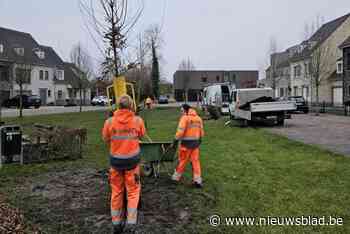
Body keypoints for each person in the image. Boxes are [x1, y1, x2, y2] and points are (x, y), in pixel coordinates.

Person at [102, 95, 146, 234]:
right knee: (133, 192)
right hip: (132, 162)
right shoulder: (137, 120)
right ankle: (131, 223)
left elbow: (105, 138)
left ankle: (116, 223)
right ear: (131, 106)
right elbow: (142, 135)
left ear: (117, 106)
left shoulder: (109, 122)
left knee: (116, 191)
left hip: (116, 162)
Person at [171, 104, 205, 188]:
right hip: (196, 144)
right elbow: (201, 132)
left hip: (186, 145)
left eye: (182, 111)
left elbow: (180, 132)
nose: (181, 113)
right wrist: (199, 140)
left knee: (182, 161)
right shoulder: (198, 118)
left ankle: (176, 178)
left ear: (186, 110)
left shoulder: (185, 118)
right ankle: (197, 180)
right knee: (195, 161)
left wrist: (175, 140)